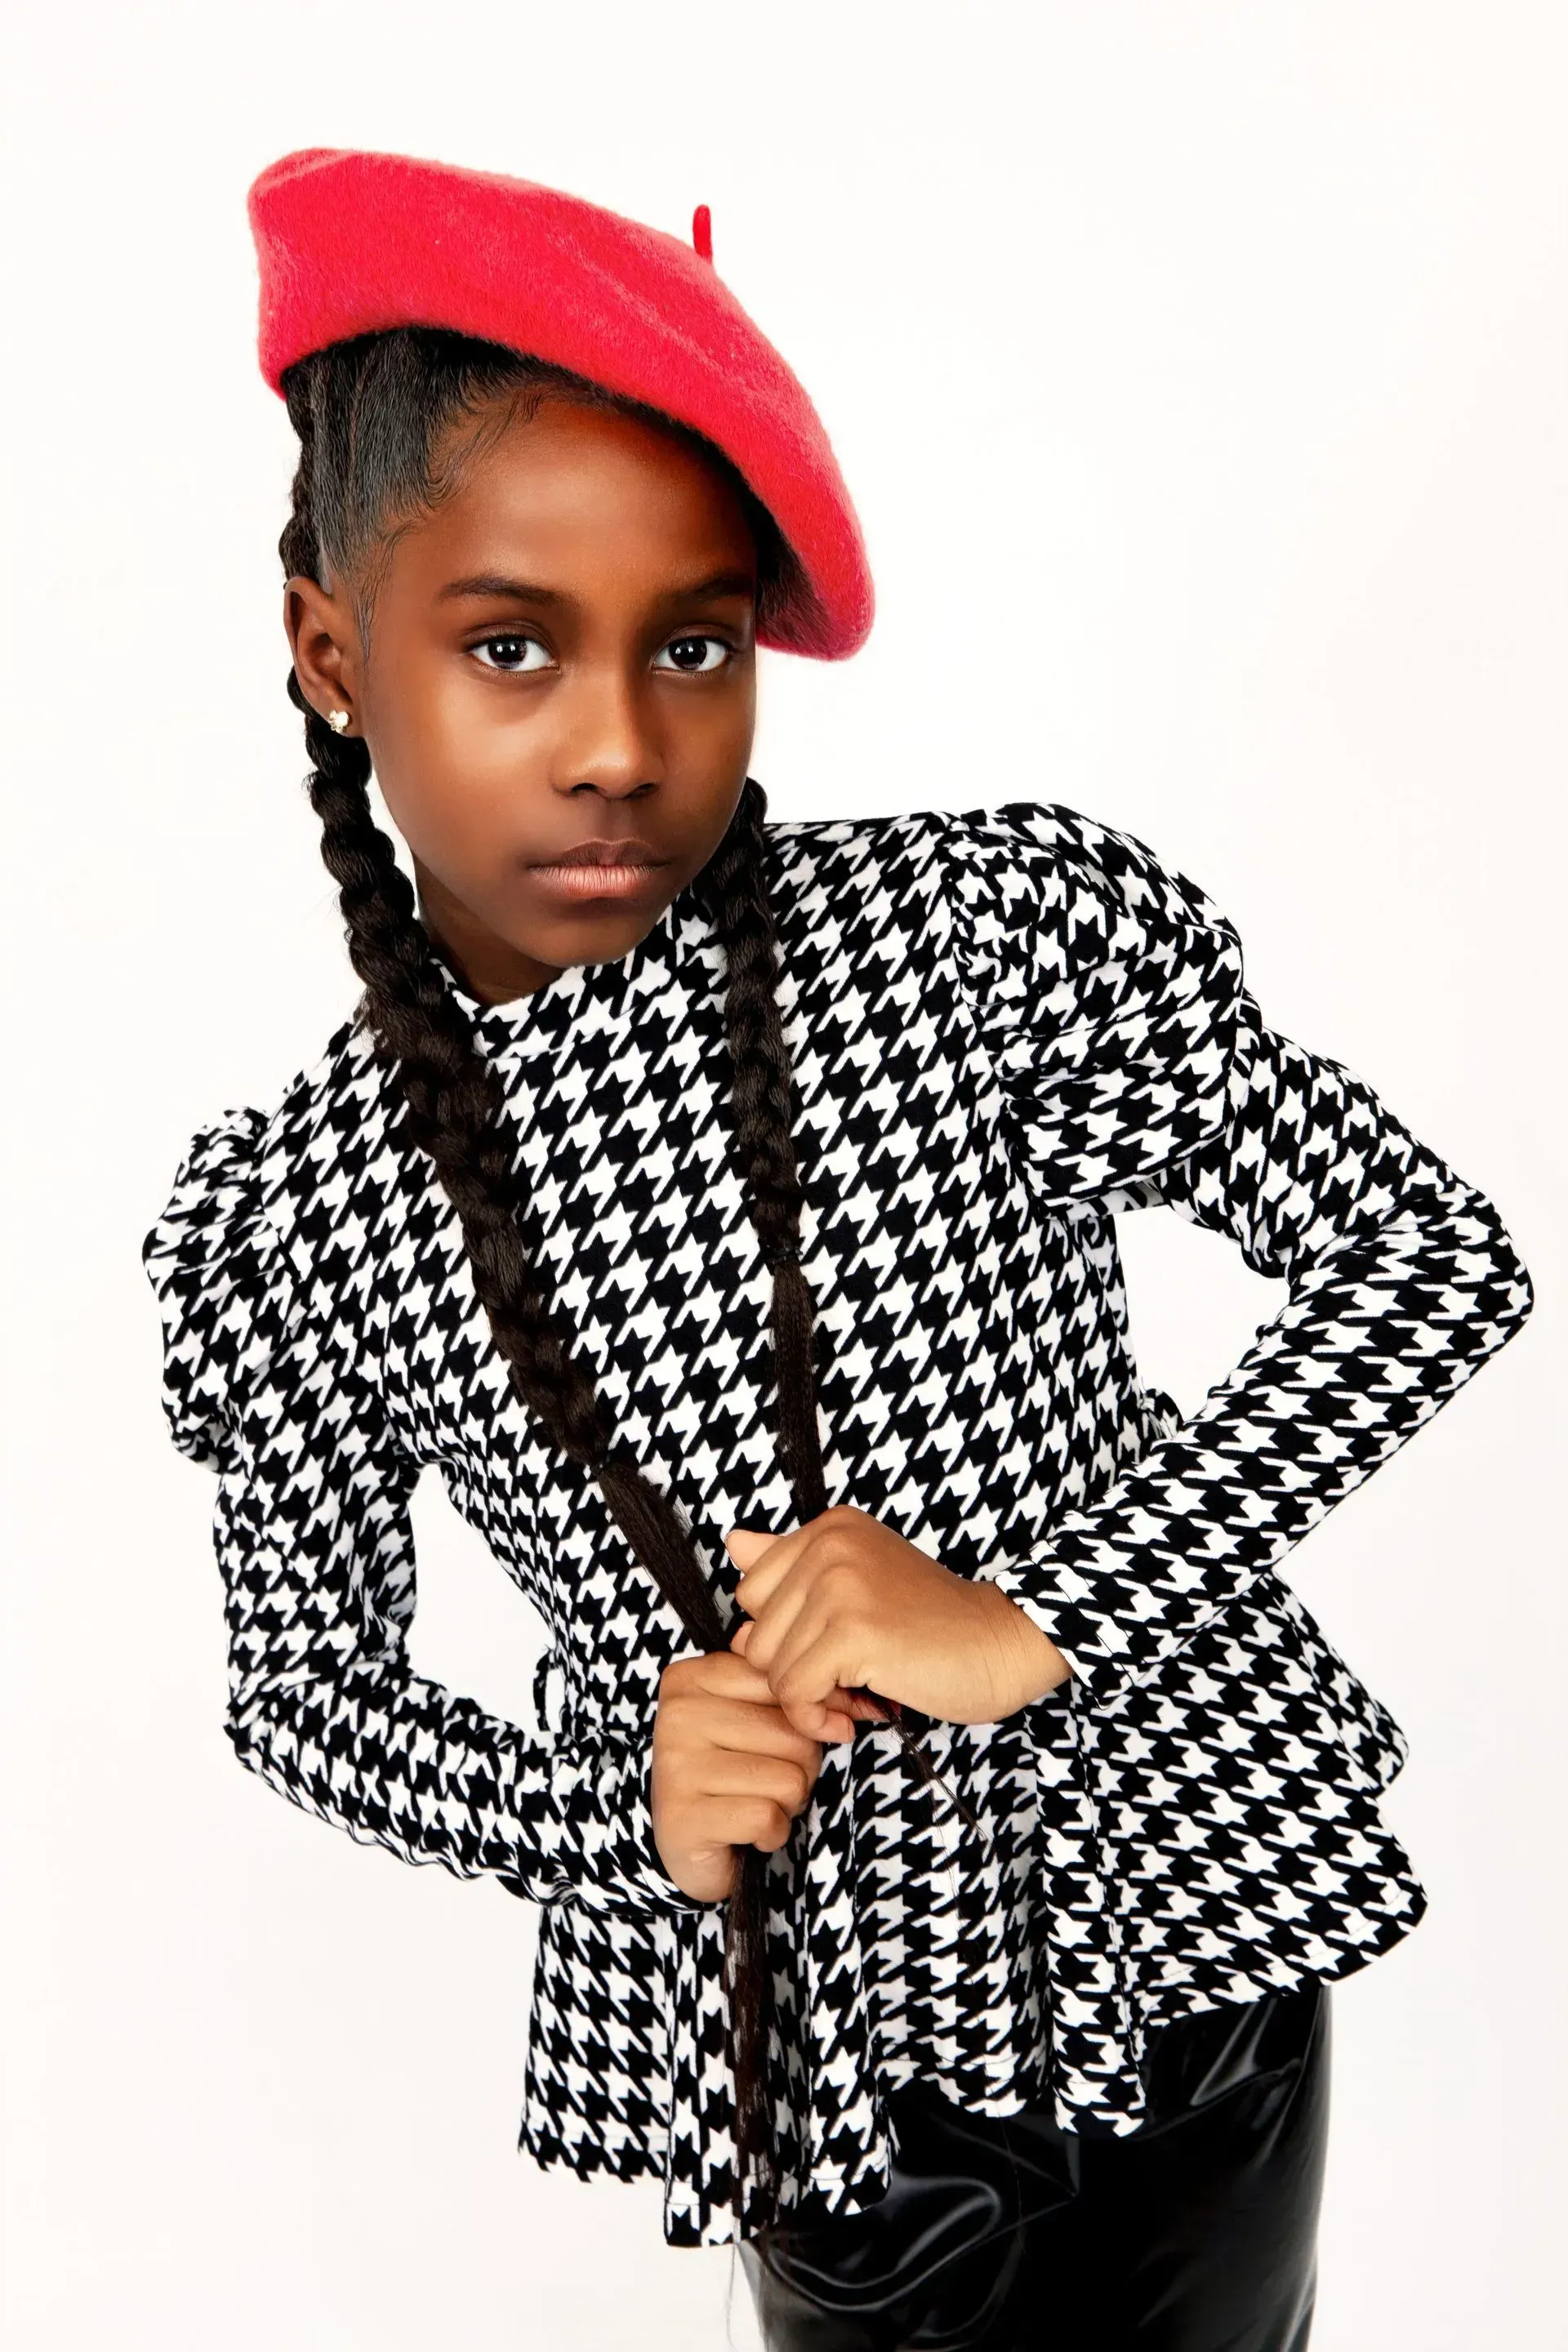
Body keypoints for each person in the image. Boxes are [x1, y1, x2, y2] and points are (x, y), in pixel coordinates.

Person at [141, 146, 1533, 2350]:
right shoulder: (309, 1217)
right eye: (510, 647)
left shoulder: (978, 944)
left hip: (1171, 1915)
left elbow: (1421, 1260)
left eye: (692, 645)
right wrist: (602, 1798)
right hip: (803, 2025)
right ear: (333, 650)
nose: (619, 746)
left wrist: (1038, 1611)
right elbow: (304, 1692)